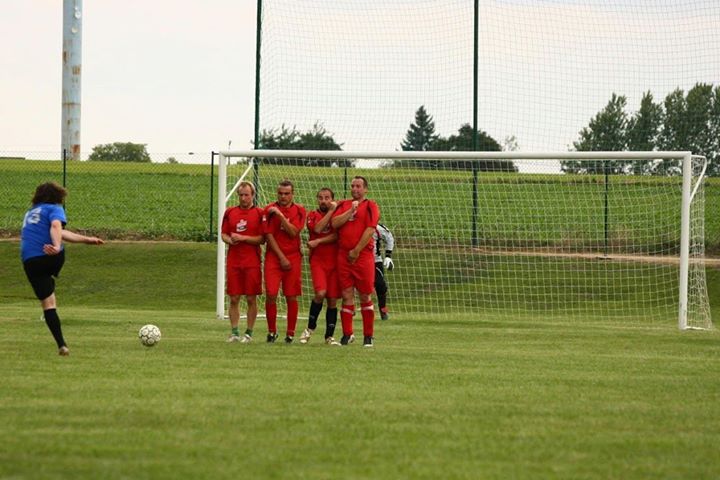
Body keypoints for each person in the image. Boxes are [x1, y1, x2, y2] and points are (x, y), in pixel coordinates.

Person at [20, 182, 104, 356]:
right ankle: (51, 277)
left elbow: (61, 232)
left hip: (30, 261)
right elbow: (56, 228)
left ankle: (62, 345)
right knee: (50, 289)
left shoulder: (30, 213)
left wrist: (87, 240)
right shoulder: (54, 208)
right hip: (51, 257)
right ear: (56, 196)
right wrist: (57, 246)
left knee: (48, 304)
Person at [331, 176, 380, 347]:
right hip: (343, 255)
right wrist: (350, 212)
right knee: (346, 295)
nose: (355, 189)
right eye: (352, 186)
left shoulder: (371, 206)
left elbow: (370, 229)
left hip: (362, 256)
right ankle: (347, 334)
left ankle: (368, 336)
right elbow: (335, 223)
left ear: (365, 189)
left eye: (358, 186)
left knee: (365, 294)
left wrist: (357, 250)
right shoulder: (344, 205)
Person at [221, 181, 265, 343]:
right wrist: (229, 240)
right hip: (234, 261)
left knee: (251, 298)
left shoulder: (260, 214)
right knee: (234, 298)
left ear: (253, 195)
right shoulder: (230, 212)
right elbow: (224, 234)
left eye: (247, 195)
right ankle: (234, 332)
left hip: (252, 261)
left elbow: (262, 239)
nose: (243, 198)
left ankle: (249, 333)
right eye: (241, 195)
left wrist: (243, 238)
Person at [263, 179, 306, 343]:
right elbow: (268, 235)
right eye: (280, 193)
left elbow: (294, 232)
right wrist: (281, 257)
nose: (283, 197)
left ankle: (290, 333)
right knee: (271, 294)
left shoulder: (300, 210)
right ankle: (272, 331)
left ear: (292, 194)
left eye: (286, 194)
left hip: (293, 257)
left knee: (291, 296)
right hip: (274, 257)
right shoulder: (268, 210)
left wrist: (280, 216)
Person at [299, 188, 341, 346]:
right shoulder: (312, 215)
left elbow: (338, 235)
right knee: (320, 293)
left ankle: (329, 337)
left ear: (332, 198)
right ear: (317, 199)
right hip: (318, 261)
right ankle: (309, 328)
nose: (324, 201)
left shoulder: (338, 216)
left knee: (332, 300)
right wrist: (331, 212)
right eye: (321, 198)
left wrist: (319, 241)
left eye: (327, 198)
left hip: (334, 261)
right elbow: (317, 228)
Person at [373, 224, 395, 321]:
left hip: (375, 261)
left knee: (380, 285)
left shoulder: (377, 228)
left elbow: (389, 238)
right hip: (356, 260)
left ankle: (383, 310)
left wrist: (388, 256)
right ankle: (350, 308)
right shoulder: (354, 225)